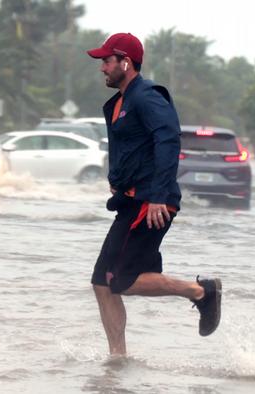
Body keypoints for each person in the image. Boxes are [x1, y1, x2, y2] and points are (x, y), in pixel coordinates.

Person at [86, 32, 222, 356]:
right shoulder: (121, 101)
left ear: (126, 62)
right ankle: (117, 359)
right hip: (131, 201)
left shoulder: (146, 96)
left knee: (122, 280)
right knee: (102, 283)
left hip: (151, 202)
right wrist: (118, 180)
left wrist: (159, 195)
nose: (102, 67)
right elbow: (134, 147)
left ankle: (202, 292)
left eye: (107, 60)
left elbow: (168, 139)